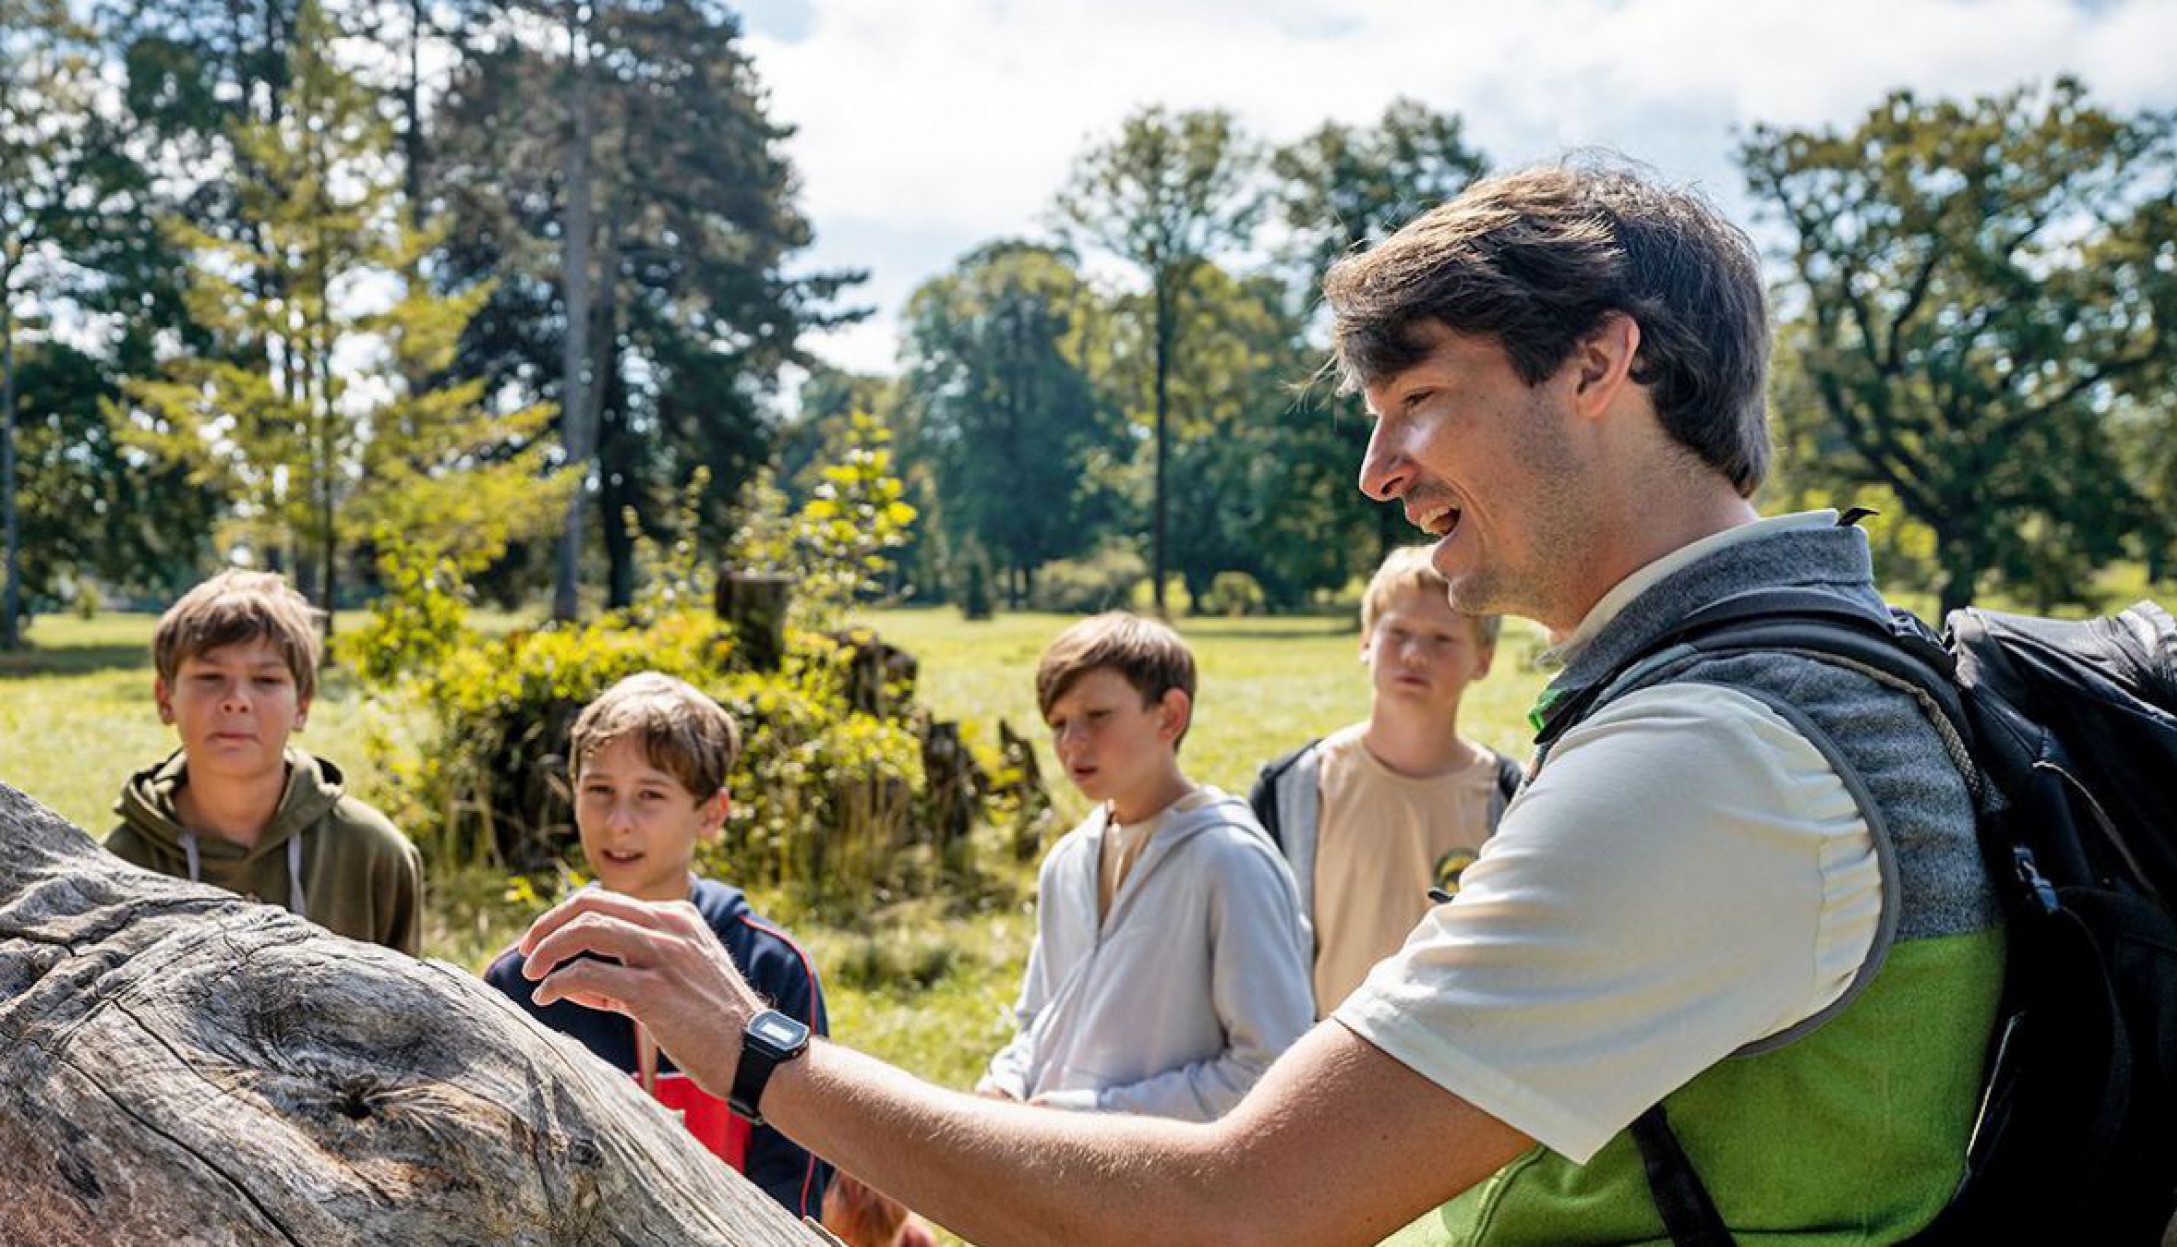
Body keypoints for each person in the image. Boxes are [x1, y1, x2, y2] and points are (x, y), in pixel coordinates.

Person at [513, 161, 2003, 1246]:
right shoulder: (1796, 681)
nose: (1379, 471)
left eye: (1418, 396)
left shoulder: (1713, 758)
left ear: (1601, 361)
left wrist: (758, 1047)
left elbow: (1237, 1207)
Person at [483, 672, 833, 1221]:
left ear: (712, 812)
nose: (618, 823)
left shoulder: (774, 967)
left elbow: (800, 1165)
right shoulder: (524, 974)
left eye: (650, 795)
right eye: (599, 791)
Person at [975, 612, 1313, 1119]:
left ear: (1170, 715)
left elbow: (1272, 1069)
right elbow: (1040, 1023)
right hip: (1052, 1173)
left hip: (1170, 1187)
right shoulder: (1067, 860)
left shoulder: (1231, 861)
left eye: (1097, 716)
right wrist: (1004, 1084)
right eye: (1058, 723)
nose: (1072, 742)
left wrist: (1095, 1116)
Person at [1248, 545, 1519, 1014]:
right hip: (1314, 1059)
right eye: (1398, 633)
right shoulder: (1293, 788)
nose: (1415, 655)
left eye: (1442, 639)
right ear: (1365, 641)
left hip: (1447, 1068)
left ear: (1484, 659)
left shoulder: (1511, 798)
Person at [107, 569, 423, 954]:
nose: (237, 699)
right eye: (210, 676)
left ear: (302, 704)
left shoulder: (375, 854)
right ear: (165, 696)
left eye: (266, 680)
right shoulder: (117, 865)